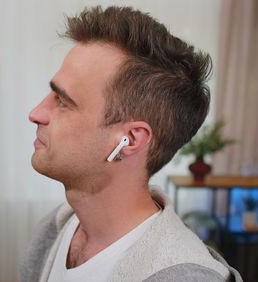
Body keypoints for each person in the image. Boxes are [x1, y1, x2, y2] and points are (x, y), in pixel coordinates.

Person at [21, 6, 242, 282]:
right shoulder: (52, 233)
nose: (36, 113)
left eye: (63, 101)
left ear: (129, 141)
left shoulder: (185, 277)